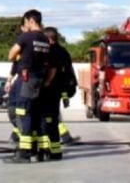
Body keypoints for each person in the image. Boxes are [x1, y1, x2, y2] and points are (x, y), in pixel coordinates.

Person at [3, 9, 53, 164]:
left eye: (25, 22)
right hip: (39, 80)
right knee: (36, 114)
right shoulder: (45, 39)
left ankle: (24, 153)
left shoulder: (26, 36)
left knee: (24, 114)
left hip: (27, 79)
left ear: (31, 21)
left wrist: (20, 53)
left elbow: (11, 55)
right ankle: (36, 150)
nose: (25, 25)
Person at [42, 26, 77, 159]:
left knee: (45, 121)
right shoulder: (64, 52)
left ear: (48, 38)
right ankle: (56, 152)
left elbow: (52, 71)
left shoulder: (50, 52)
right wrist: (65, 95)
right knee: (54, 120)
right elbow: (68, 75)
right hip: (58, 92)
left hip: (48, 90)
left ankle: (44, 150)